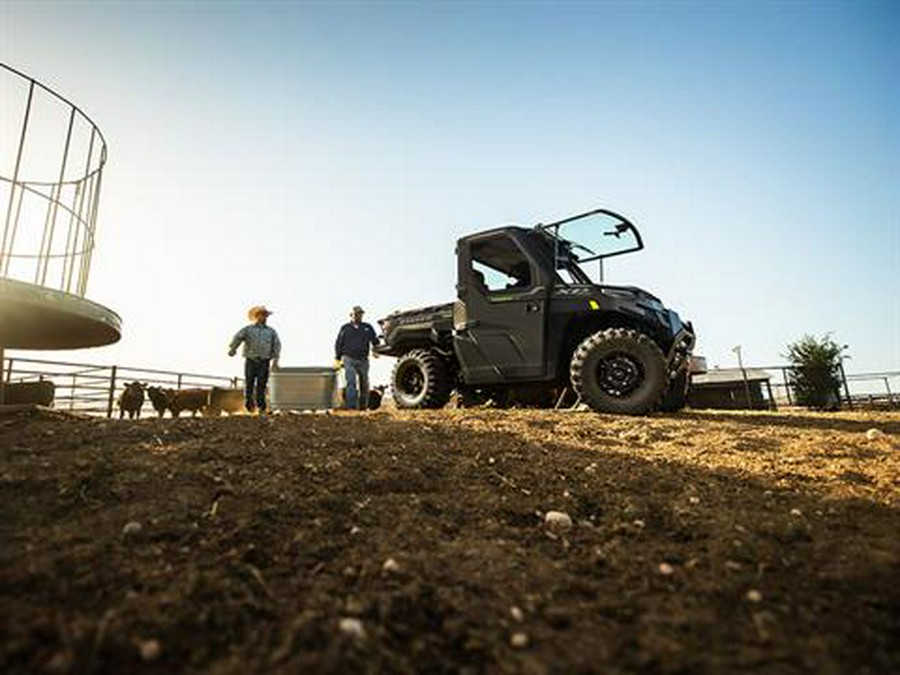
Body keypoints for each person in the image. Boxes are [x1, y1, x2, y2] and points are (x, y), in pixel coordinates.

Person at [228, 305, 281, 414]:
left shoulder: (271, 332)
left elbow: (277, 344)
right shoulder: (248, 330)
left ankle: (261, 407)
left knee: (262, 384)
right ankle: (249, 406)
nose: (265, 317)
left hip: (264, 360)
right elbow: (238, 337)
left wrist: (275, 357)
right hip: (251, 360)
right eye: (263, 315)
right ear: (257, 316)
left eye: (266, 315)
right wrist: (233, 348)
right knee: (249, 383)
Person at [334, 305, 379, 410]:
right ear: (351, 315)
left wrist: (376, 350)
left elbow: (375, 341)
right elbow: (338, 343)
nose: (358, 316)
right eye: (356, 314)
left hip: (363, 359)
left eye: (360, 314)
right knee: (351, 381)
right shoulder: (345, 328)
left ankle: (363, 407)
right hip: (348, 358)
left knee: (364, 382)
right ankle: (352, 407)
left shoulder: (367, 327)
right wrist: (337, 358)